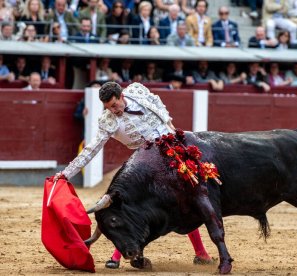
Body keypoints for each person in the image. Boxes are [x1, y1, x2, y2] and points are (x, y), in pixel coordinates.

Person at [54, 81, 214, 268]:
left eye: (114, 105)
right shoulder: (108, 121)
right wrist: (66, 173)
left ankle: (201, 252)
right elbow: (91, 149)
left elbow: (156, 100)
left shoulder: (137, 90)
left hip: (172, 150)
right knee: (122, 204)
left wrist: (168, 122)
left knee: (184, 199)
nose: (113, 111)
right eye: (108, 108)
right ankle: (117, 256)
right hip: (145, 163)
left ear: (121, 96)